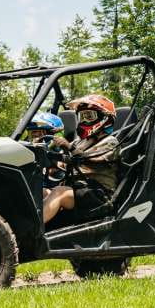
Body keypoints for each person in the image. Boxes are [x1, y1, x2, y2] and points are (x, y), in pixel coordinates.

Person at [42, 95, 120, 224]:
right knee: (43, 191)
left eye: (89, 116)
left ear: (105, 118)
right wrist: (52, 161)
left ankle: (31, 234)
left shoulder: (110, 142)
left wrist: (68, 146)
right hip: (79, 189)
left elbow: (89, 159)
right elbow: (67, 162)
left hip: (99, 194)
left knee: (59, 193)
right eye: (81, 116)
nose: (84, 120)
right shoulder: (81, 141)